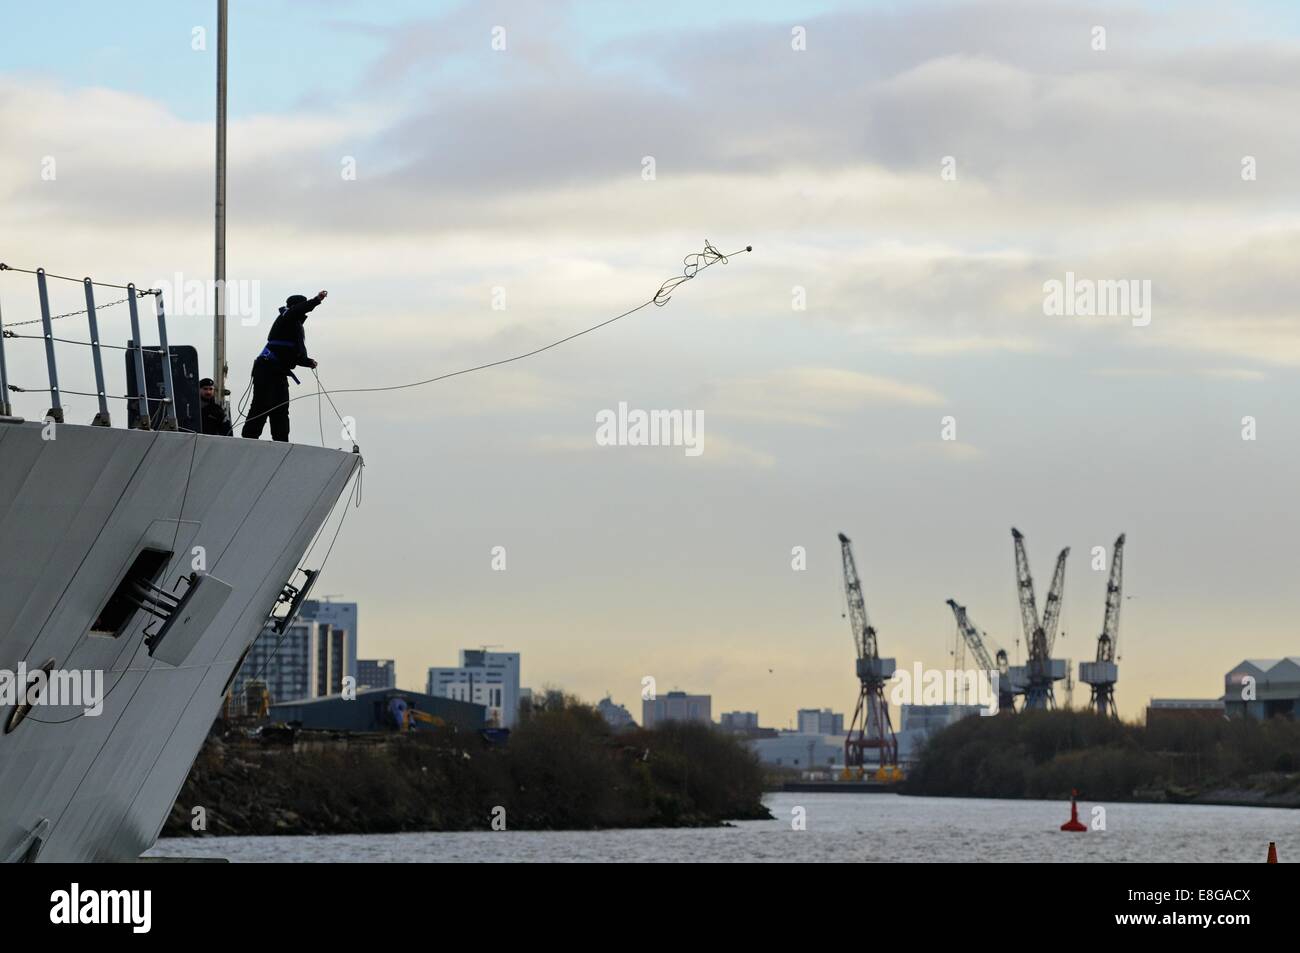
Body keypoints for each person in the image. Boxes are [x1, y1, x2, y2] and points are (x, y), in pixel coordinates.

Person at [241, 290, 327, 441]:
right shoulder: (286, 316)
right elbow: (297, 311)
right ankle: (249, 438)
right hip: (266, 369)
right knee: (262, 404)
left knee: (281, 407)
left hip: (278, 371)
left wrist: (308, 362)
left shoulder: (294, 324)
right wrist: (316, 300)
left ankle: (281, 441)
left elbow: (290, 352)